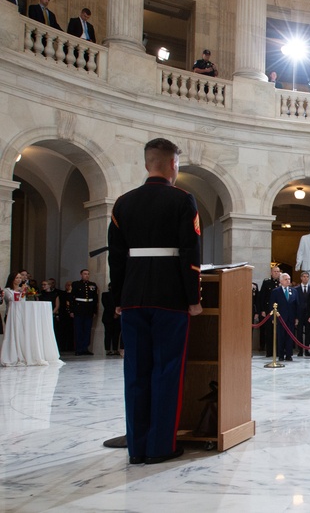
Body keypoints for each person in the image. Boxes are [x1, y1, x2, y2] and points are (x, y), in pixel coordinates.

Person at [107, 137, 203, 465]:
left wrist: (118, 298)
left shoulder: (123, 203)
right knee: (166, 371)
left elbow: (116, 259)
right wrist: (193, 298)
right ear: (173, 165)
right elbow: (190, 255)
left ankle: (137, 447)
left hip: (133, 297)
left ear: (147, 164)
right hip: (170, 297)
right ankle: (159, 447)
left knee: (135, 373)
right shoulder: (182, 200)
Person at [70, 269, 100, 356]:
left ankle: (85, 348)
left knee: (87, 330)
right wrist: (71, 310)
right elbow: (72, 297)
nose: (86, 275)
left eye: (88, 274)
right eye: (85, 274)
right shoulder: (76, 284)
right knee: (78, 329)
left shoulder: (92, 285)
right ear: (81, 275)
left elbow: (95, 299)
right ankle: (78, 349)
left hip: (89, 309)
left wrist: (94, 310)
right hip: (79, 309)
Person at [270, 272, 298, 362]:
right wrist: (273, 318)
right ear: (281, 281)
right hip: (280, 318)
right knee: (280, 336)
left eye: (289, 279)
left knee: (290, 337)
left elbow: (297, 305)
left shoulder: (294, 291)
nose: (288, 281)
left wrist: (297, 318)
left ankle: (289, 355)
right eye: (286, 279)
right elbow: (272, 305)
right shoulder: (276, 291)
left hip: (291, 318)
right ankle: (281, 355)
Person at [256, 266, 281, 356]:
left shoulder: (281, 283)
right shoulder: (266, 283)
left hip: (279, 311)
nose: (276, 273)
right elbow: (261, 297)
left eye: (278, 271)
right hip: (268, 311)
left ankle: (278, 351)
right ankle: (269, 351)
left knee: (279, 332)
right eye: (274, 271)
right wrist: (261, 310)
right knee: (269, 332)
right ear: (271, 272)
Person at [101, 288, 122, 356]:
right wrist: (114, 313)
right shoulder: (105, 295)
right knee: (108, 334)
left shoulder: (119, 295)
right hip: (108, 317)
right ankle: (108, 349)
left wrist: (117, 314)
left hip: (117, 317)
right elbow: (106, 306)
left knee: (116, 334)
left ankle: (115, 349)